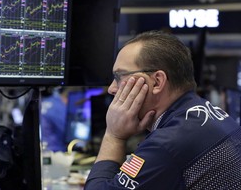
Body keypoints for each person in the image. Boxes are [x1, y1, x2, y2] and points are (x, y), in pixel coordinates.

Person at [84, 30, 241, 189]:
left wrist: (114, 136)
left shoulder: (166, 144)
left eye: (120, 76)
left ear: (157, 82)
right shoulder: (206, 113)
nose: (111, 89)